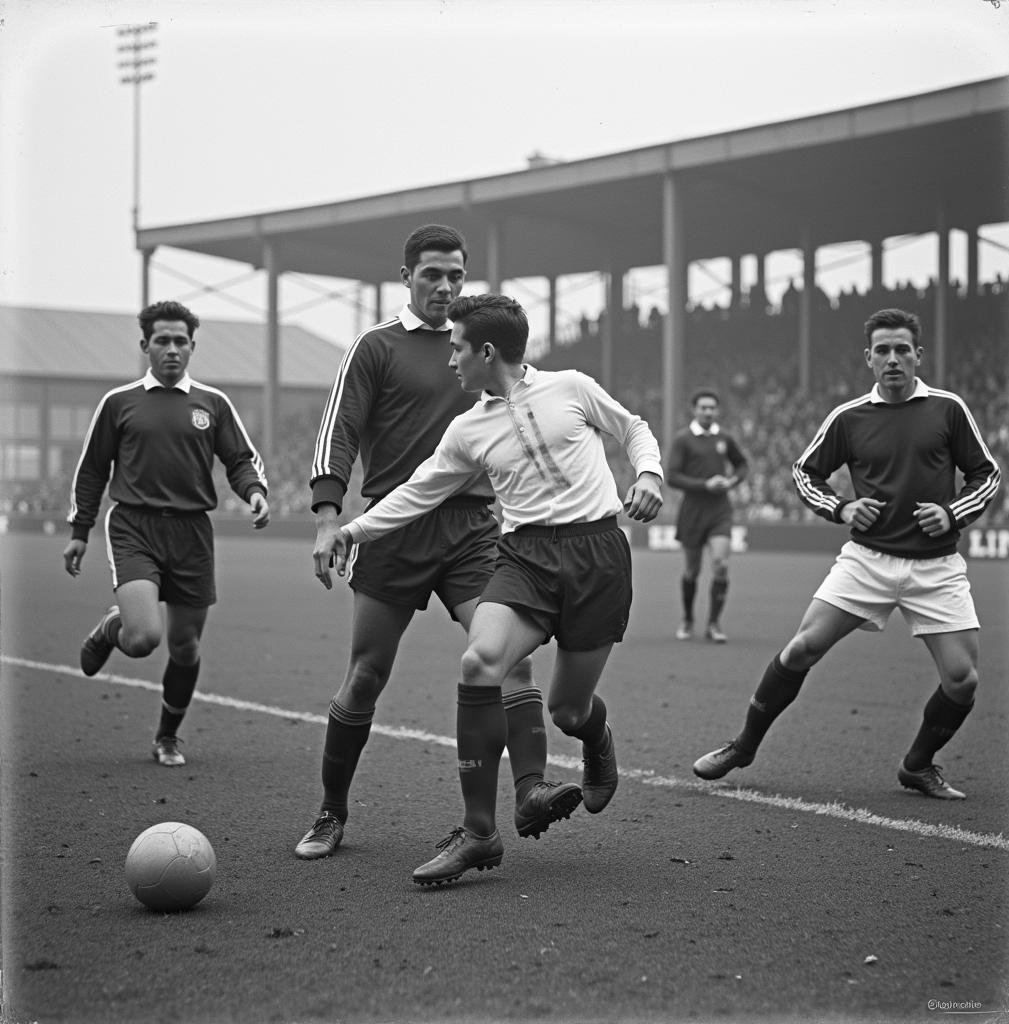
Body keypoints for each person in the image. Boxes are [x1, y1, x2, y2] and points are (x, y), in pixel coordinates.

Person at [316, 293, 664, 885]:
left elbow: (632, 428)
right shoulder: (466, 429)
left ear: (485, 351)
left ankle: (596, 736)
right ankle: (480, 832)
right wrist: (350, 528)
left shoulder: (571, 388)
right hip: (524, 559)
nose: (449, 359)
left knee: (567, 709)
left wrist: (649, 472)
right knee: (480, 662)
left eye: (455, 348)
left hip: (598, 556)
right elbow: (417, 491)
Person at [297, 226, 581, 861]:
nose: (445, 285)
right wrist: (326, 517)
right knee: (367, 675)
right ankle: (331, 811)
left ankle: (529, 791)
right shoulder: (373, 348)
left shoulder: (480, 346)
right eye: (432, 274)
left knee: (509, 658)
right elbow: (337, 431)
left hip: (473, 532)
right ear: (406, 276)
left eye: (455, 274)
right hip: (393, 529)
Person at [693, 308, 1001, 800]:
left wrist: (953, 513)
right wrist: (841, 507)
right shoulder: (849, 416)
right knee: (801, 649)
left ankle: (917, 765)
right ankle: (744, 745)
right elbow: (803, 473)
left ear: (918, 355)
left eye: (903, 349)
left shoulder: (948, 408)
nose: (894, 359)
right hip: (867, 560)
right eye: (883, 350)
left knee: (963, 681)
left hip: (937, 566)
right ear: (869, 358)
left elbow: (987, 474)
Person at [63, 300, 270, 767]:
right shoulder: (119, 403)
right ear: (145, 346)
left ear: (192, 347)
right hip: (134, 526)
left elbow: (240, 459)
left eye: (181, 341)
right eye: (162, 341)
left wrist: (254, 490)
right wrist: (80, 529)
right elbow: (92, 470)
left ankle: (167, 737)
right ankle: (112, 626)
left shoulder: (213, 404)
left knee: (186, 646)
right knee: (142, 640)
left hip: (193, 533)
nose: (172, 349)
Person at [666, 389, 748, 642]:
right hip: (692, 511)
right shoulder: (683, 440)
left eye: (712, 407)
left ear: (717, 410)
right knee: (692, 570)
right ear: (695, 409)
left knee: (721, 565)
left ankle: (713, 624)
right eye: (704, 407)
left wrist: (732, 481)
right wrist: (705, 485)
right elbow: (673, 477)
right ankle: (688, 619)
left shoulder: (724, 438)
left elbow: (742, 464)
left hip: (719, 511)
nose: (708, 412)